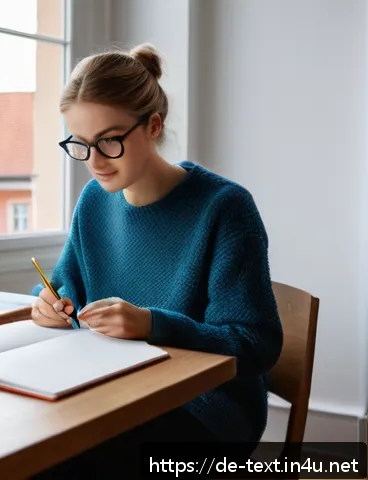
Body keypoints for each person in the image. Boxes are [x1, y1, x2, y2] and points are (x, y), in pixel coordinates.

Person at [30, 43, 284, 478]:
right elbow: (62, 285)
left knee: (77, 462)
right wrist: (48, 303)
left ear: (153, 126)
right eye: (80, 143)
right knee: (33, 446)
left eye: (109, 141)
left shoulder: (225, 208)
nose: (93, 162)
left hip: (209, 411)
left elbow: (256, 343)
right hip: (116, 392)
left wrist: (153, 324)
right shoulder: (94, 201)